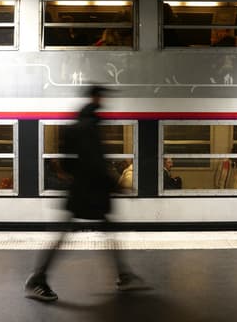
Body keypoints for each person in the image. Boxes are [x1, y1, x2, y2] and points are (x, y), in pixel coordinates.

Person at [24, 85, 147, 302]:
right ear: (95, 97)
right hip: (89, 192)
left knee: (90, 230)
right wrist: (114, 184)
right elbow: (95, 162)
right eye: (101, 97)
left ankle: (124, 274)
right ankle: (37, 279)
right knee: (71, 233)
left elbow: (68, 163)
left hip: (83, 190)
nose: (103, 101)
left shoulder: (78, 124)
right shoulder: (89, 127)